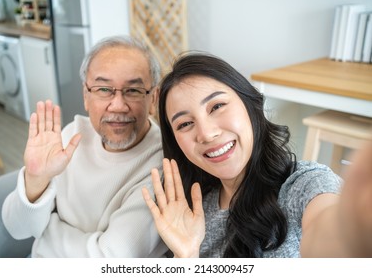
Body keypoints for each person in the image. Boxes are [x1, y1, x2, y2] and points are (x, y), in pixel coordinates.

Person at [142, 52, 372, 258]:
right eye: (185, 124)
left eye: (217, 106)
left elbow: (328, 234)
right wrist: (186, 257)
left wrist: (355, 224)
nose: (207, 134)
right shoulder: (191, 207)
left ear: (249, 104)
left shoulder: (303, 185)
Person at [2, 35, 167, 257]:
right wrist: (35, 179)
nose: (117, 105)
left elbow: (108, 260)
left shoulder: (162, 164)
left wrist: (47, 232)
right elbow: (18, 229)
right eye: (103, 89)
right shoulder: (73, 133)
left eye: (133, 90)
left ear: (153, 99)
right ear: (86, 96)